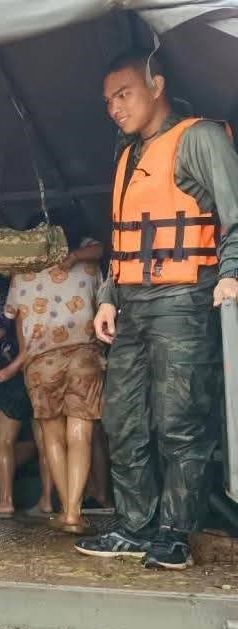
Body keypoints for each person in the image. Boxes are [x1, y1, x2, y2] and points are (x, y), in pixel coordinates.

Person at [76, 49, 238, 570]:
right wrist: (106, 297)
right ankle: (134, 526)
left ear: (157, 85)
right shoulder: (127, 157)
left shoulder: (200, 138)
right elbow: (123, 240)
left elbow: (235, 214)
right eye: (108, 101)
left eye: (123, 94)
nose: (114, 108)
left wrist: (232, 272)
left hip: (183, 302)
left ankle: (175, 533)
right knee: (122, 421)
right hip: (131, 307)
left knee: (179, 422)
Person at [0, 211, 106, 534]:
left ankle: (66, 511)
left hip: (40, 362)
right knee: (81, 433)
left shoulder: (21, 274)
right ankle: (73, 513)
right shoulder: (89, 262)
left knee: (52, 436)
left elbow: (19, 324)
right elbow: (102, 276)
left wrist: (22, 361)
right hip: (84, 354)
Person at [0, 291, 55, 520]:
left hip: (16, 375)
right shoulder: (53, 296)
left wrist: (11, 366)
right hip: (44, 373)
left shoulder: (17, 295)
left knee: (4, 440)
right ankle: (47, 501)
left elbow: (7, 336)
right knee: (45, 442)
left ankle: (5, 501)